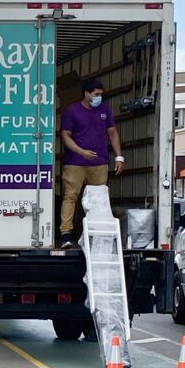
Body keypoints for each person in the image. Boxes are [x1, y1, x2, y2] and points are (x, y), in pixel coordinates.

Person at [59, 78, 125, 248]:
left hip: (100, 162)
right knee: (71, 196)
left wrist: (119, 157)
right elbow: (65, 135)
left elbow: (112, 133)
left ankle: (96, 235)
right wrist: (82, 152)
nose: (99, 97)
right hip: (75, 162)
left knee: (98, 199)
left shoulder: (104, 110)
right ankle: (66, 233)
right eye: (96, 94)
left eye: (101, 94)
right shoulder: (72, 111)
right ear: (86, 94)